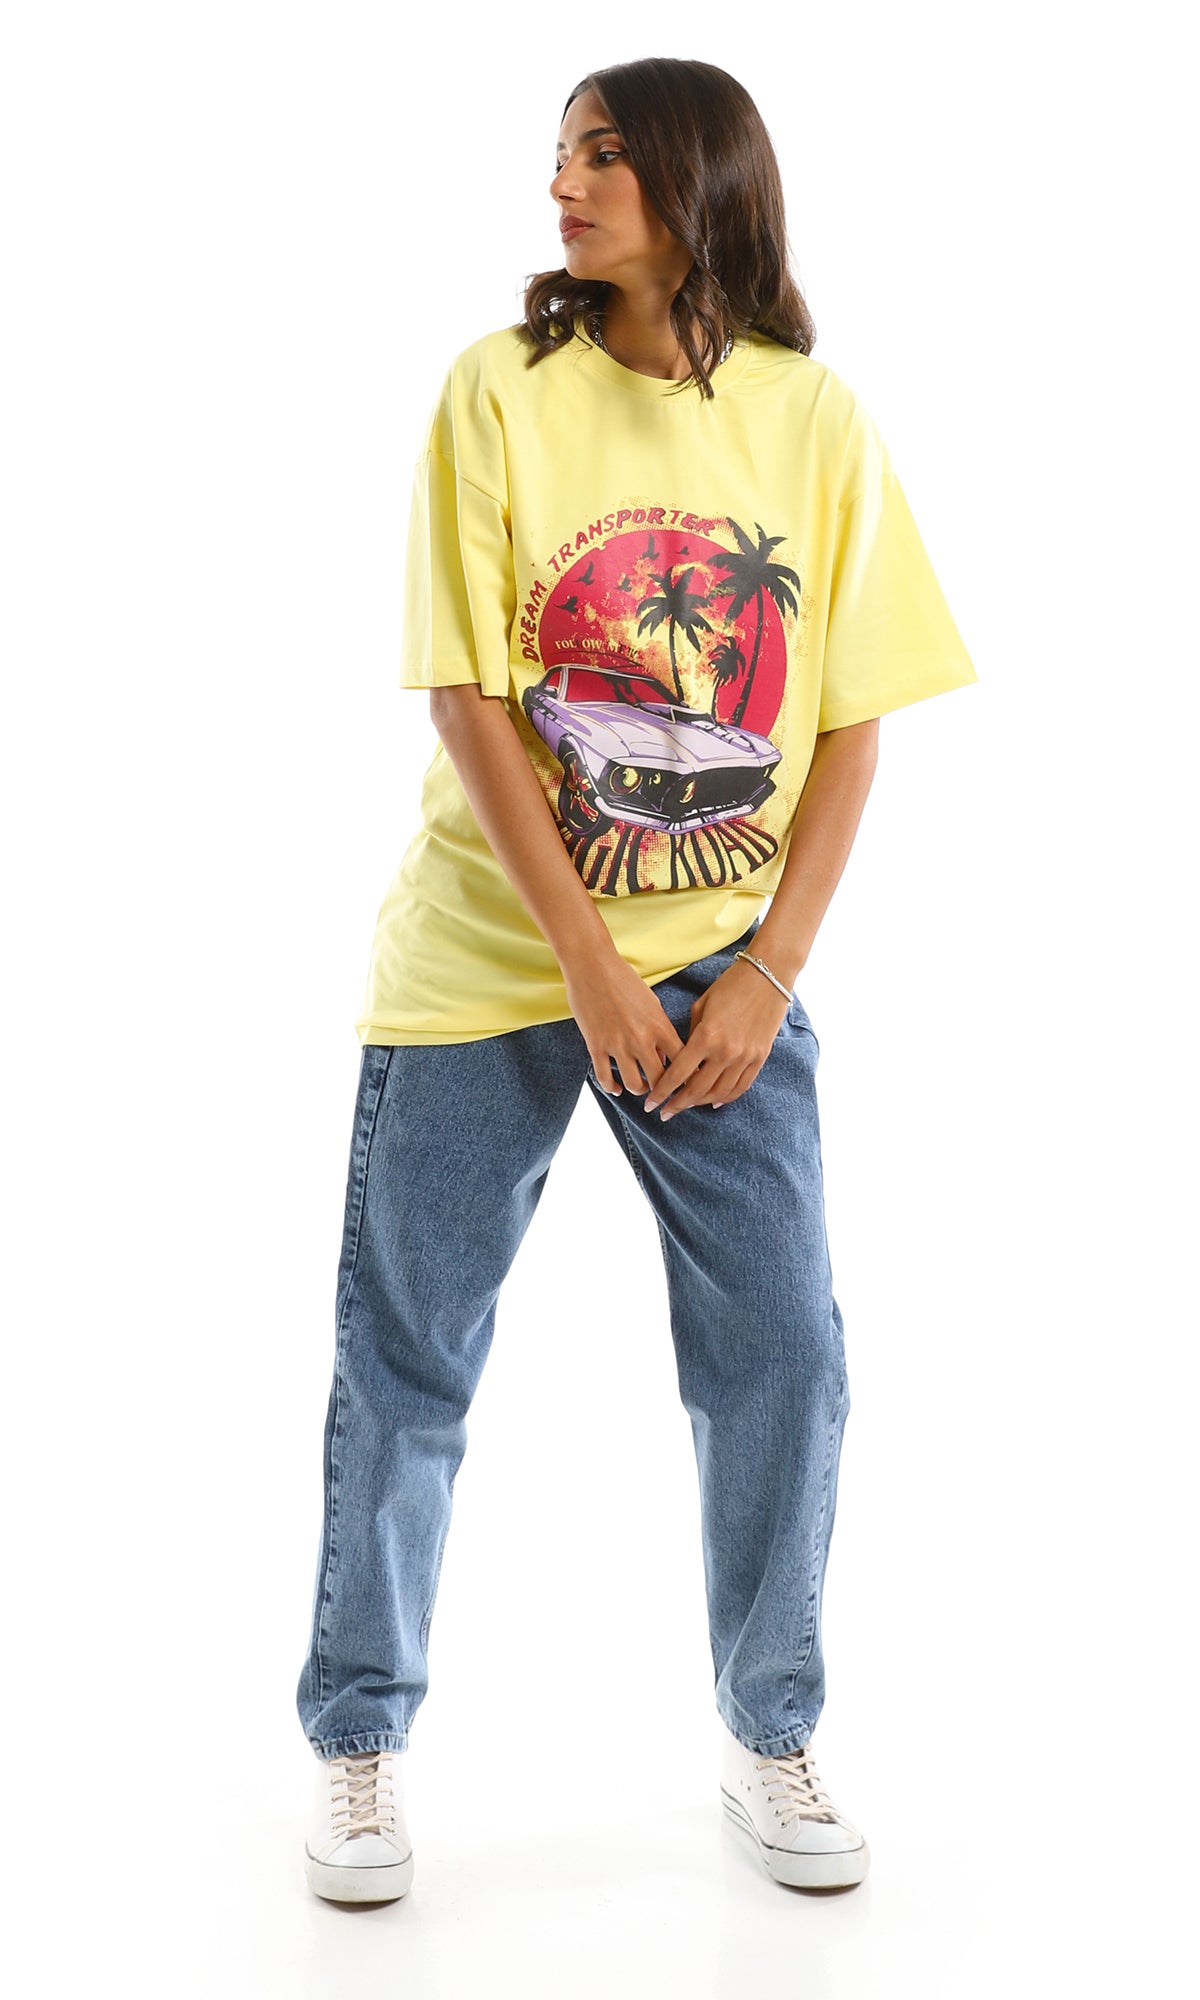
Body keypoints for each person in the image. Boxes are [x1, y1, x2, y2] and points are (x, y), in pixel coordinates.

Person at [296, 57, 978, 1905]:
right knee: (407, 1356)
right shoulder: (498, 391)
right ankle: (357, 1742)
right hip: (487, 961)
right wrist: (589, 969)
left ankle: (772, 1728)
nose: (564, 184)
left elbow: (849, 722)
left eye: (602, 154)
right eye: (560, 154)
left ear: (699, 181)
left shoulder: (813, 419)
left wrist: (764, 973)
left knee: (787, 1356)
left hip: (723, 978)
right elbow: (470, 698)